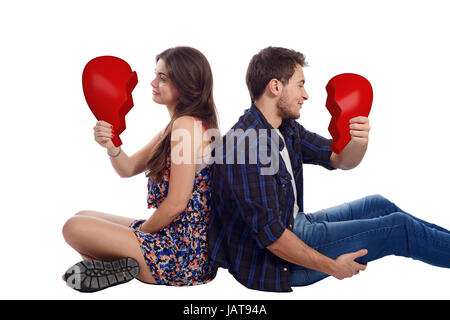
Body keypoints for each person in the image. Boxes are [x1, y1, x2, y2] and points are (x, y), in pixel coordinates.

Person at [207, 46, 450, 292]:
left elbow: (339, 160)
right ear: (275, 87)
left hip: (295, 226)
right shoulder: (245, 147)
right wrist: (333, 267)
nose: (306, 95)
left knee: (378, 204)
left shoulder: (285, 128)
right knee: (398, 229)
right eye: (300, 85)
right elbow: (274, 239)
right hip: (277, 263)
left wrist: (358, 141)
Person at [62, 46, 220, 292]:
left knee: (73, 228)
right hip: (177, 242)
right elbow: (127, 168)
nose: (153, 82)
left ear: (185, 84)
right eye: (156, 74)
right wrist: (111, 143)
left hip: (181, 255)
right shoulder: (178, 125)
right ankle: (120, 266)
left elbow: (177, 203)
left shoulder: (185, 127)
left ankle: (115, 263)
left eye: (163, 78)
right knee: (82, 215)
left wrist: (141, 236)